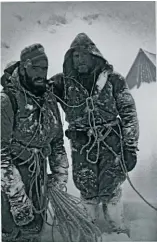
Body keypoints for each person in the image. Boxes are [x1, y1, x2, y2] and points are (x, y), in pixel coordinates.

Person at [50, 33, 139, 235]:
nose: (79, 59)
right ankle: (87, 228)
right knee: (86, 185)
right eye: (75, 56)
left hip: (111, 141)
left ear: (94, 56)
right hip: (81, 143)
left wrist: (130, 146)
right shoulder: (63, 84)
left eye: (83, 55)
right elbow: (36, 89)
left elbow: (128, 113)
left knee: (112, 185)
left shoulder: (114, 80)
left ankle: (117, 228)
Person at [1, 43, 69, 242]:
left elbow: (57, 142)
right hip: (14, 179)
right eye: (36, 68)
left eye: (44, 69)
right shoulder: (7, 100)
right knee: (16, 232)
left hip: (40, 176)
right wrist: (17, 199)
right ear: (23, 67)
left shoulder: (48, 100)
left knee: (35, 230)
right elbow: (1, 153)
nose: (41, 73)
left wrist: (59, 179)